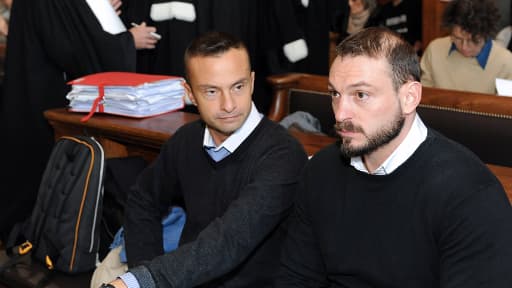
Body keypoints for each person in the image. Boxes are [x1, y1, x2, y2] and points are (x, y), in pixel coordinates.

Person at [274, 26, 512, 287]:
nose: (340, 114)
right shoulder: (320, 170)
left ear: (409, 97)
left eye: (361, 95)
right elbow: (296, 278)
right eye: (335, 94)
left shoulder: (470, 195)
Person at [92, 31, 308, 288]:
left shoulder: (283, 154)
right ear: (190, 94)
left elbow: (228, 241)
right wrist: (145, 267)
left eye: (238, 87)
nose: (229, 104)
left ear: (251, 82)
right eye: (211, 91)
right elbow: (143, 199)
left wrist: (141, 281)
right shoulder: (187, 139)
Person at [0, 0, 159, 240]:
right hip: (46, 101)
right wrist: (128, 40)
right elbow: (71, 47)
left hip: (31, 90)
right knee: (42, 182)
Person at [420, 0, 512, 94]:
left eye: (473, 41)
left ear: (486, 35)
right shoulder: (435, 50)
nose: (464, 47)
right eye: (457, 38)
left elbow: (505, 106)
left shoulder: (505, 62)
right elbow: (424, 97)